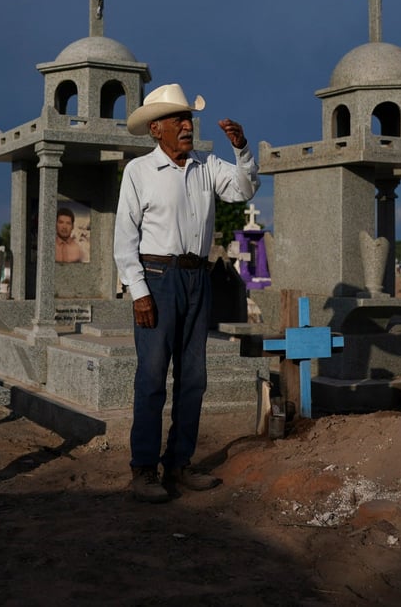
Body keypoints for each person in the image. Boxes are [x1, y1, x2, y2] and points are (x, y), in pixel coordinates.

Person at [114, 83, 260, 503]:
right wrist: (138, 291)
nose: (186, 126)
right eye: (177, 120)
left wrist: (243, 149)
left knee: (194, 377)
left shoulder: (206, 165)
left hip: (199, 279)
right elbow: (125, 238)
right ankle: (143, 469)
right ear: (155, 129)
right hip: (158, 278)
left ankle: (179, 464)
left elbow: (244, 189)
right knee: (152, 377)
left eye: (188, 119)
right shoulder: (139, 172)